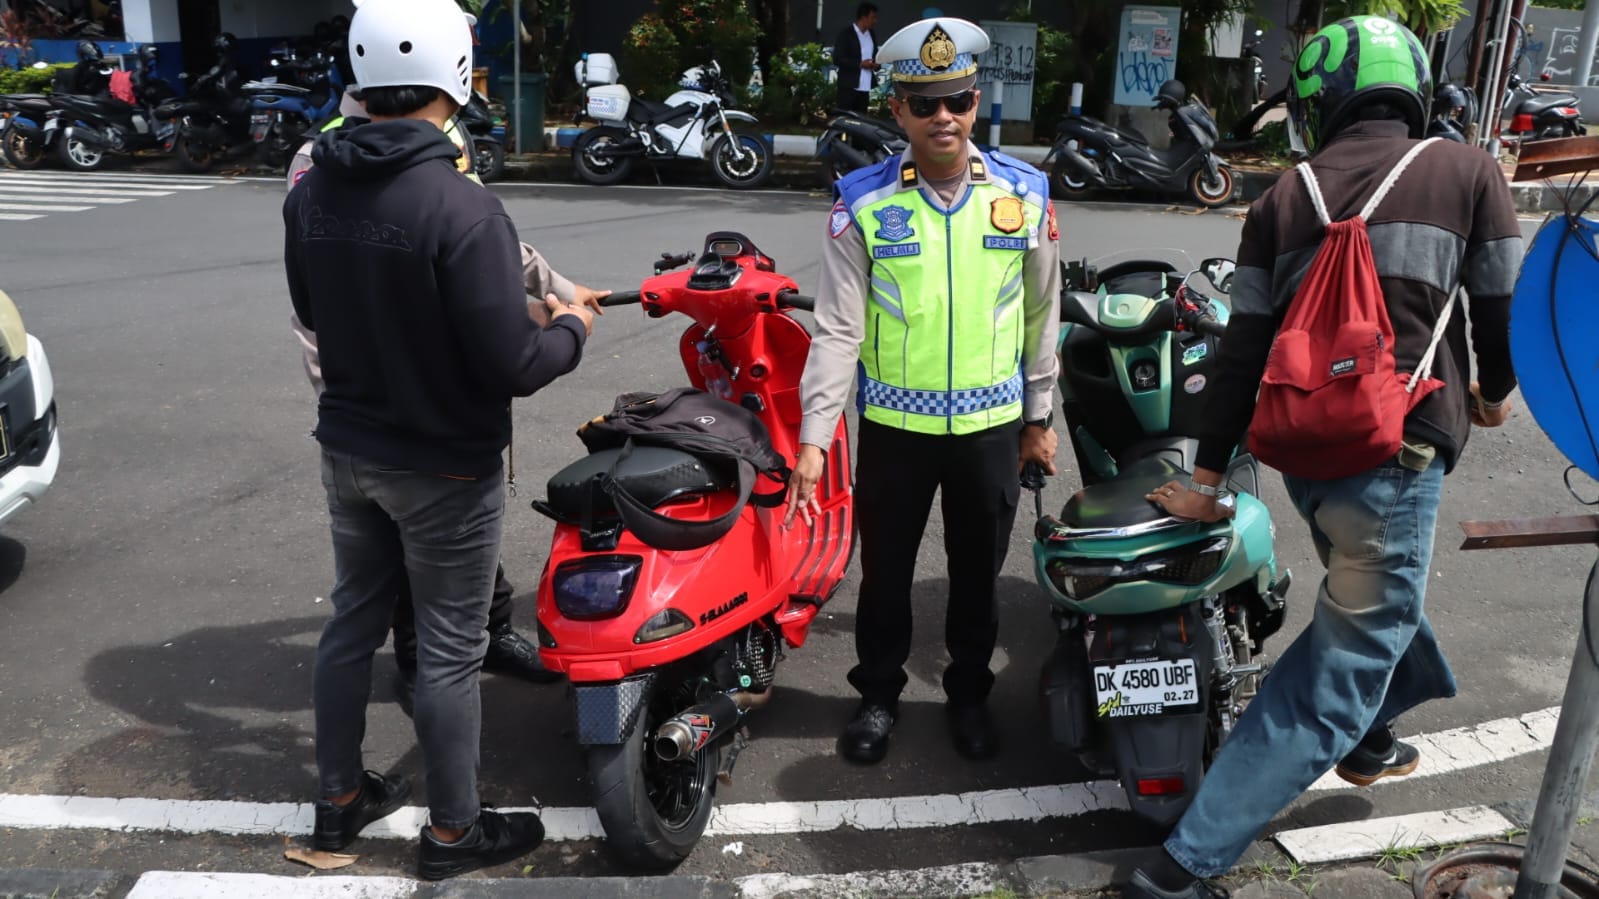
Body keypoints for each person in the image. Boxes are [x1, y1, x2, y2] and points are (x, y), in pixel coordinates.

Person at [1123, 17, 1522, 899]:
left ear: (1318, 101)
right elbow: (1499, 307)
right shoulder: (1465, 172)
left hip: (1309, 457)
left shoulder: (1280, 197)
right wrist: (1494, 392)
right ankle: (1181, 866)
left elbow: (1242, 351)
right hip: (1396, 452)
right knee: (1344, 657)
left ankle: (1370, 739)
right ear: (1411, 85)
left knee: (1369, 590)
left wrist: (1201, 476)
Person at [283, 0, 595, 879]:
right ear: (456, 77)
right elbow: (515, 361)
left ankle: (339, 801)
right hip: (443, 464)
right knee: (452, 651)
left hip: (347, 449)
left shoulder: (311, 187)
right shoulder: (463, 206)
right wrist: (569, 324)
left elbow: (316, 311)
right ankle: (454, 831)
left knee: (352, 625)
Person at [788, 16, 1061, 765]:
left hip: (991, 427)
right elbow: (837, 329)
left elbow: (1042, 314)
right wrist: (814, 438)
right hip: (894, 429)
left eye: (959, 100)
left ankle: (968, 693)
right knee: (886, 572)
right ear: (897, 110)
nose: (945, 117)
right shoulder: (862, 202)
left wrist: (1038, 418)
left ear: (976, 102)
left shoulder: (1023, 195)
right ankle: (877, 692)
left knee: (977, 576)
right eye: (925, 102)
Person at [287, 81, 610, 710]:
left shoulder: (445, 140)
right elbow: (316, 308)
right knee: (430, 615)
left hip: (421, 403)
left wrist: (563, 289)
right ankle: (429, 685)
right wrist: (567, 327)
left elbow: (485, 246)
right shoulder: (317, 161)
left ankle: (483, 639)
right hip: (383, 408)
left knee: (440, 567)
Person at [832, 3, 880, 114]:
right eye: (873, 17)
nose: (875, 21)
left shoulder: (871, 34)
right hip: (848, 87)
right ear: (864, 17)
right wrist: (860, 64)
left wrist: (876, 64)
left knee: (861, 121)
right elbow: (838, 58)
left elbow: (875, 55)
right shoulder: (846, 34)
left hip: (865, 87)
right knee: (844, 120)